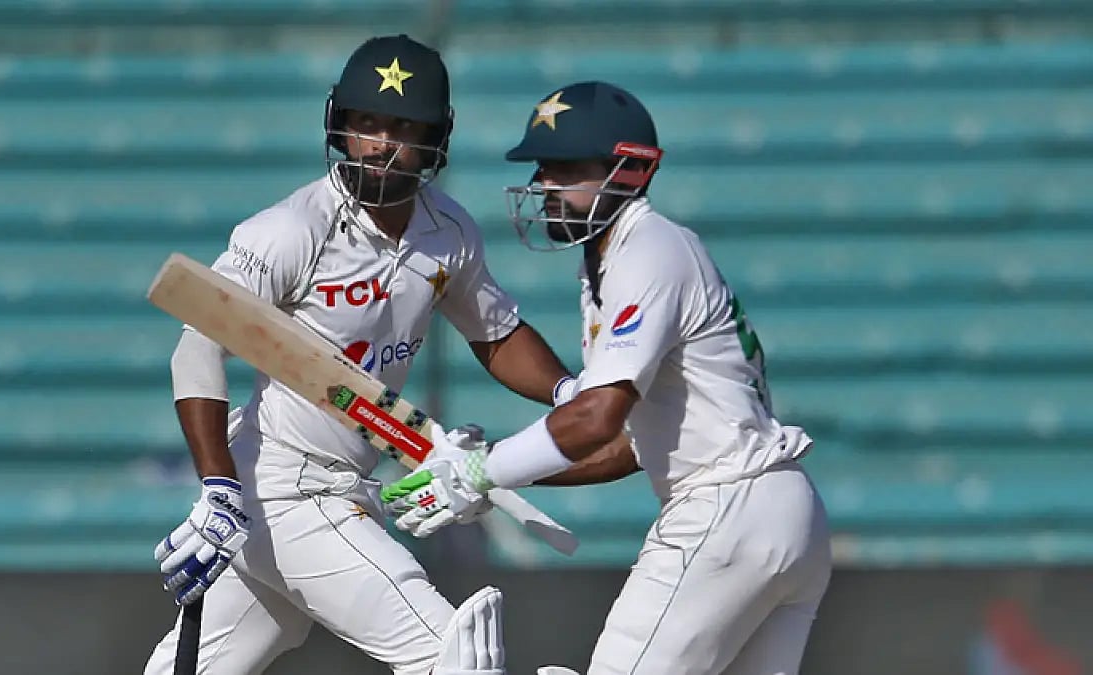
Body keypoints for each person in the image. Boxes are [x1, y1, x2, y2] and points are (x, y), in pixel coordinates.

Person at [143, 35, 573, 675]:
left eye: (401, 127)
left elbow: (498, 335)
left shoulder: (448, 233)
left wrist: (571, 395)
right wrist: (219, 486)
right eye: (365, 124)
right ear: (338, 126)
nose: (380, 144)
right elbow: (198, 345)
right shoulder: (292, 231)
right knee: (451, 658)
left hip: (344, 483)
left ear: (436, 136)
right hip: (283, 489)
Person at [382, 81, 833, 675]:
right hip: (785, 513)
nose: (544, 183)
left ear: (630, 170)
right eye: (543, 167)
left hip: (725, 508)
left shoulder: (650, 249)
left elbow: (597, 419)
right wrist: (496, 477)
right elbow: (626, 447)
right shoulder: (612, 261)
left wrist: (478, 471)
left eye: (566, 168)